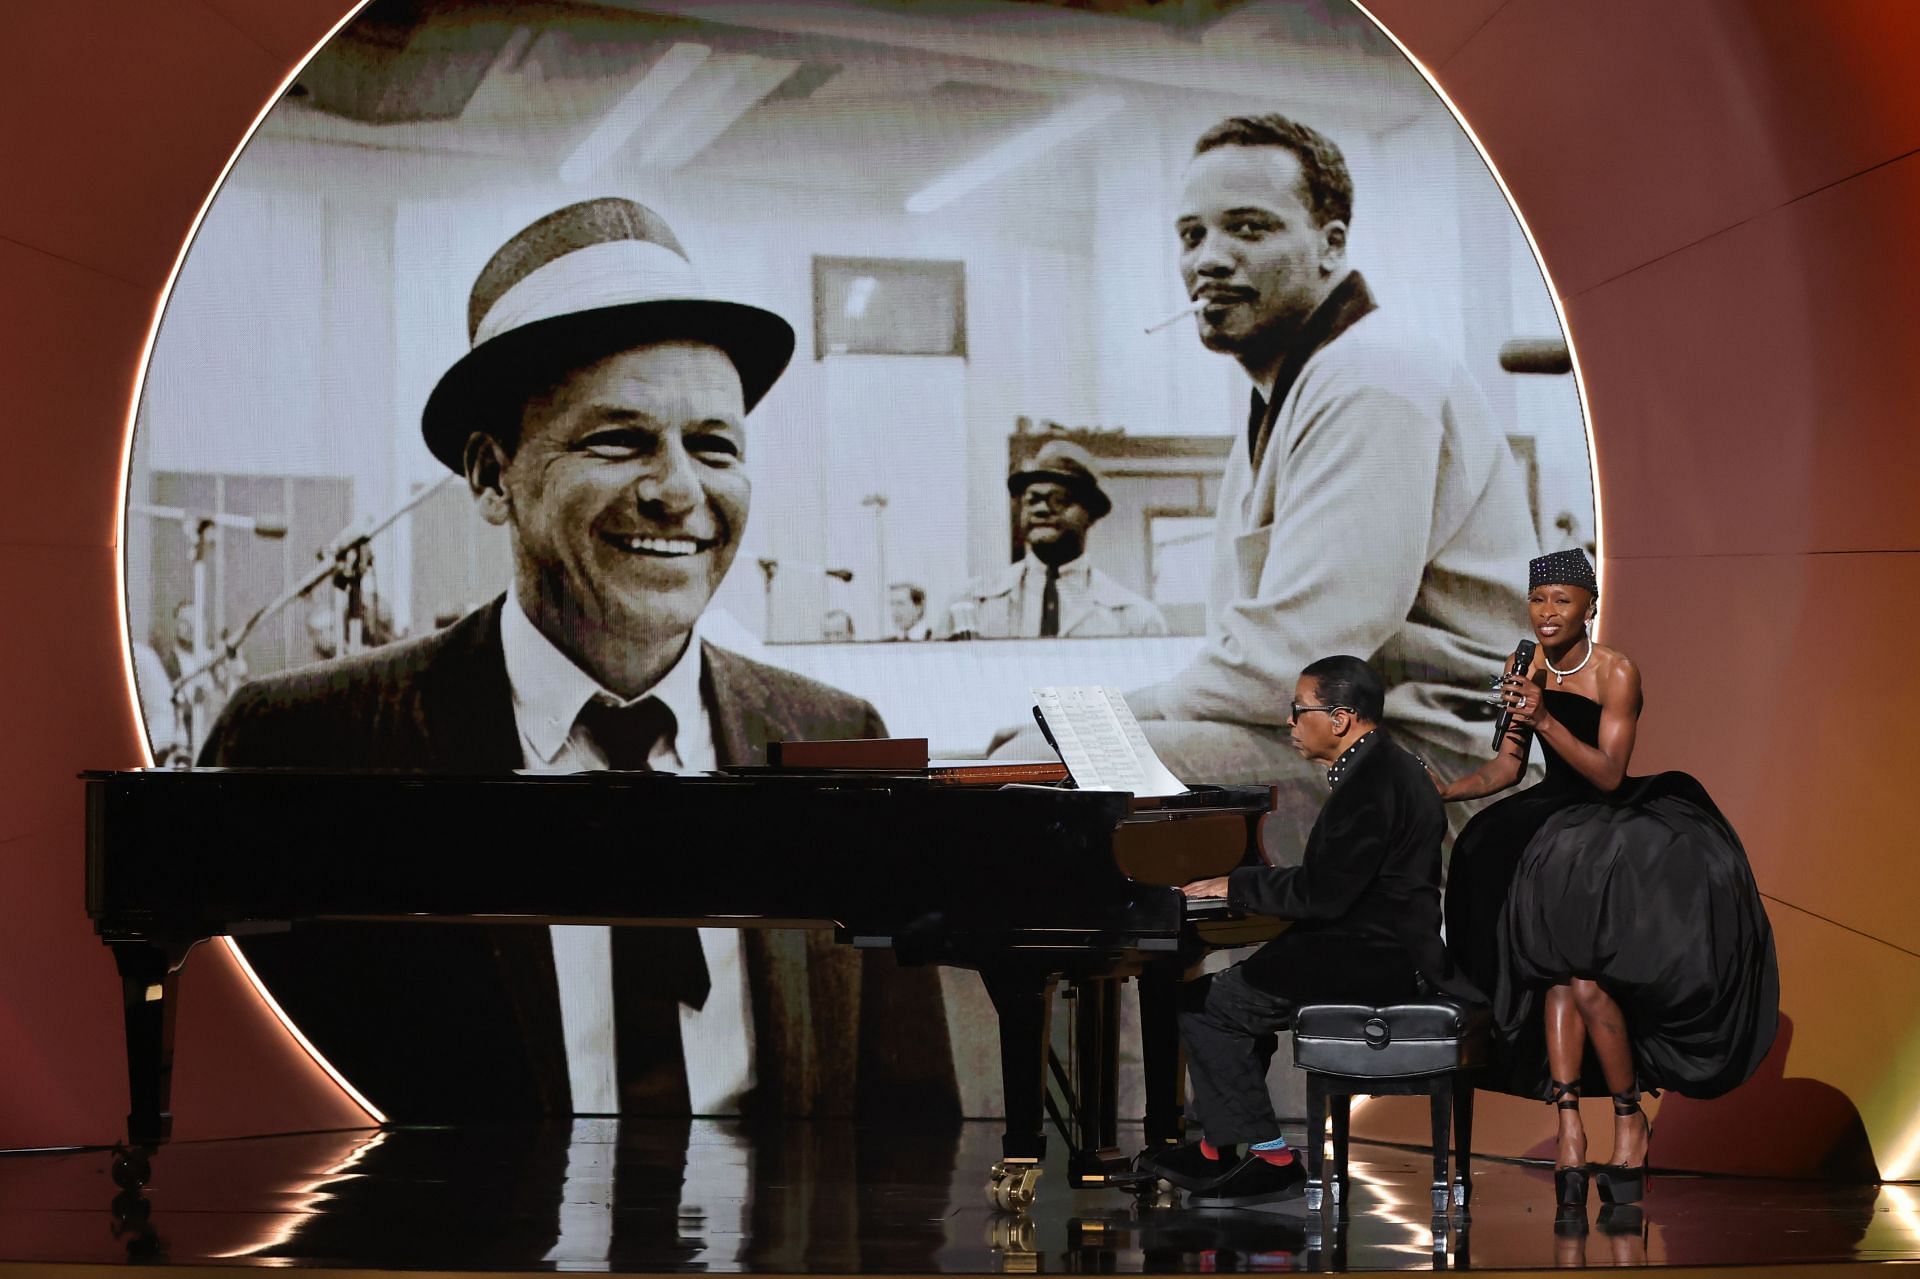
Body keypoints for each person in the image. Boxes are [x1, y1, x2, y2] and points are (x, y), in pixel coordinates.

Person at [201, 197, 956, 1123]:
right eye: (619, 439)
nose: (679, 490)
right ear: (491, 476)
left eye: (713, 446)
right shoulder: (302, 749)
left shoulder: (841, 743)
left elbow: (910, 1135)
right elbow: (236, 1117)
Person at [1006, 113, 1538, 833]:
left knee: (1032, 779)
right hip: (1358, 747)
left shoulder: (1371, 377)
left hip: (1446, 772)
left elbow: (1297, 663)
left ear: (1332, 245)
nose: (1209, 260)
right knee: (1025, 763)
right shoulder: (1292, 391)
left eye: (1248, 229)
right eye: (1192, 235)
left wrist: (1089, 719)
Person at [1434, 549, 1778, 1213]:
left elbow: (1610, 775)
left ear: (1589, 605)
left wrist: (1544, 717)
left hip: (1608, 829)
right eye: (1538, 601)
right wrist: (1444, 789)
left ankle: (1627, 1119)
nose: (1547, 614)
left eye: (1562, 600)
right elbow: (1507, 770)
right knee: (1554, 977)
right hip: (1547, 829)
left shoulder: (1616, 671)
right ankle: (1570, 1130)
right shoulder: (1523, 665)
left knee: (1586, 982)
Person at [1140, 656, 1478, 1206]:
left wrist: (1236, 885)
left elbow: (1324, 892)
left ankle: (1271, 1157)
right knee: (1231, 998)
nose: (1291, 724)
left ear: (1341, 718)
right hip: (1379, 943)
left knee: (1206, 1006)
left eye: (1300, 712)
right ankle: (1216, 1151)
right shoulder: (1390, 766)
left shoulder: (1371, 783)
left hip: (1367, 954)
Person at [946, 439, 1166, 639]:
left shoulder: (1136, 619)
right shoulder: (970, 604)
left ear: (1090, 513)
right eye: (1032, 500)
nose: (1041, 509)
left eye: (1059, 500)